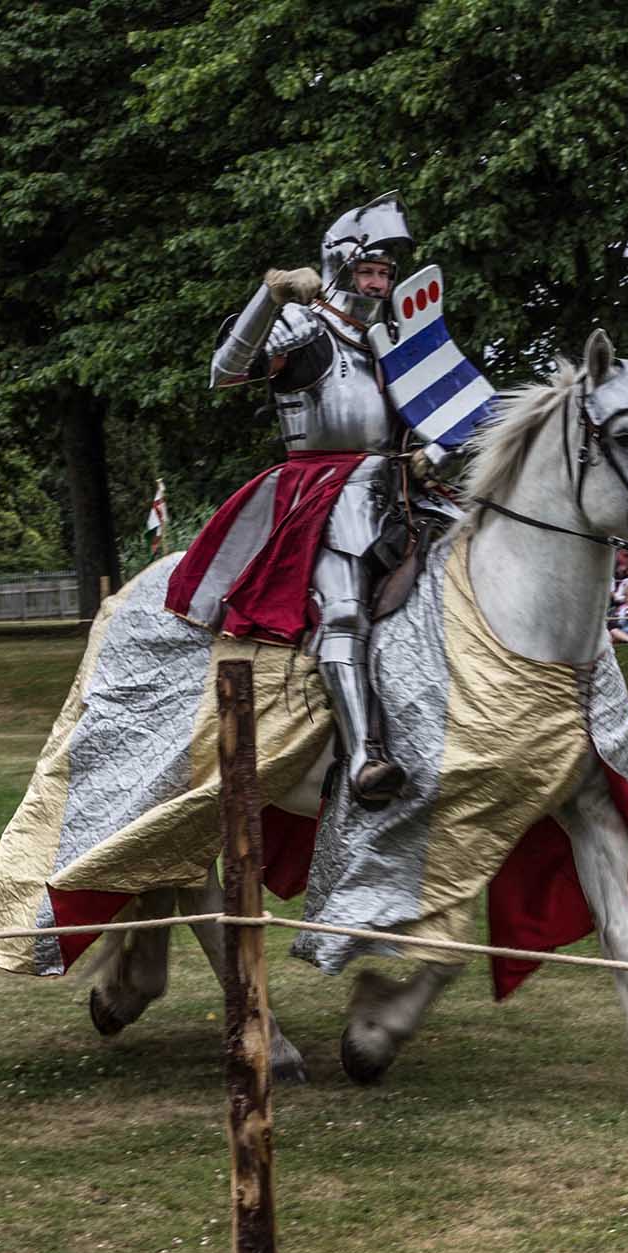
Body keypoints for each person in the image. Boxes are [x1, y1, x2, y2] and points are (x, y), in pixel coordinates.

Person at [186, 192, 439, 804]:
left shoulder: (390, 343)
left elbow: (422, 415)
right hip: (325, 492)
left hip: (399, 486)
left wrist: (432, 447)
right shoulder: (306, 329)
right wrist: (270, 297)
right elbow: (224, 369)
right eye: (368, 272)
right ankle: (363, 759)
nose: (378, 284)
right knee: (346, 613)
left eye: (384, 274)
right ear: (340, 271)